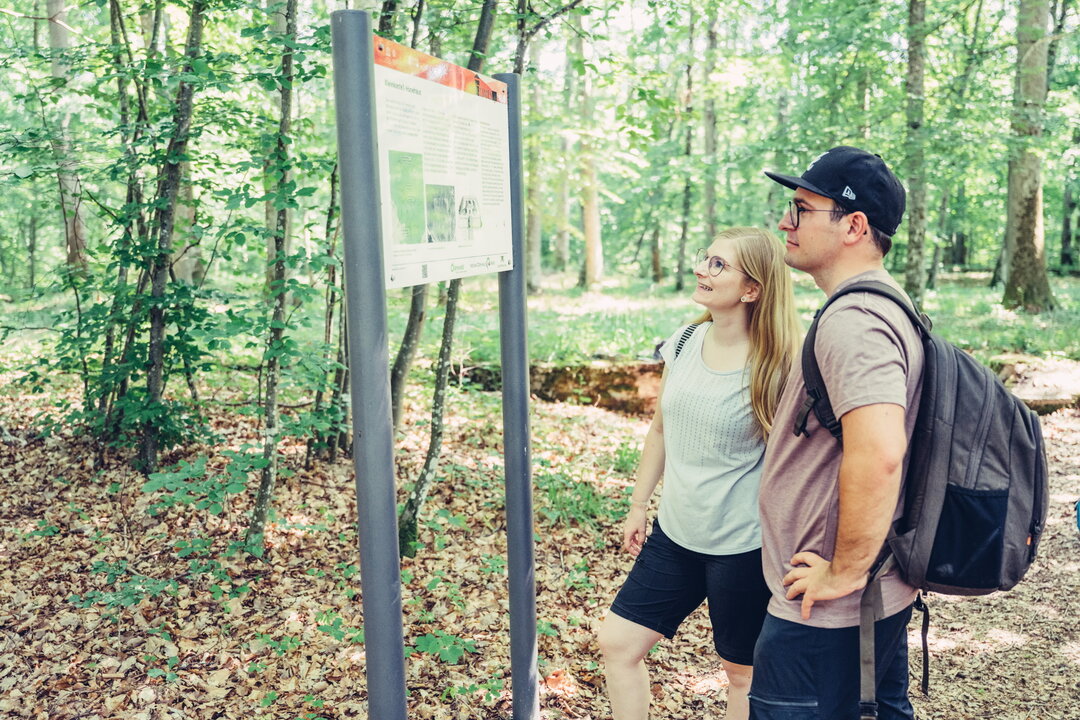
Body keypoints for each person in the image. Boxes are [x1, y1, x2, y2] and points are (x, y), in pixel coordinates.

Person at [597, 227, 801, 720]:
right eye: (704, 258)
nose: (700, 270)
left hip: (742, 546)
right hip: (676, 534)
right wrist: (638, 504)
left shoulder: (778, 365)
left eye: (718, 265)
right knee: (618, 645)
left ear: (751, 289)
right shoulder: (685, 340)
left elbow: (797, 464)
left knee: (740, 675)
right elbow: (661, 431)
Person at [749, 146, 923, 720]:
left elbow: (880, 453)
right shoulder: (887, 306)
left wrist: (843, 571)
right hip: (866, 598)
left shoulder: (855, 322)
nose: (784, 222)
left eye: (801, 209)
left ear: (853, 226)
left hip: (830, 608)